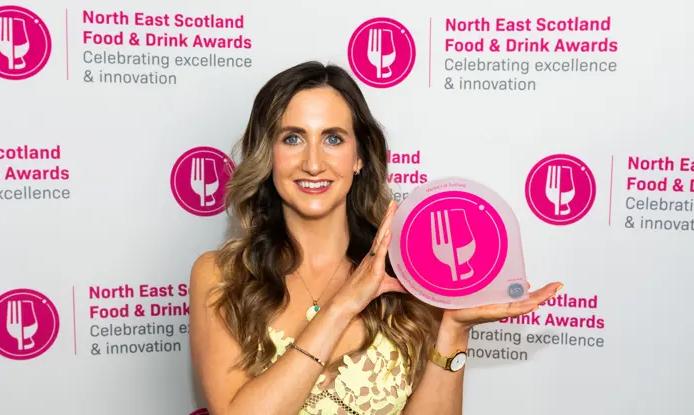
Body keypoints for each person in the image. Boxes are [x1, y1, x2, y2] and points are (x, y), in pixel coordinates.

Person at [188, 61, 562, 415]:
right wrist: (342, 306)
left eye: (333, 138)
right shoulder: (221, 276)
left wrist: (454, 330)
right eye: (292, 138)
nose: (313, 163)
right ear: (267, 154)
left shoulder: (411, 273)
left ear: (360, 157)